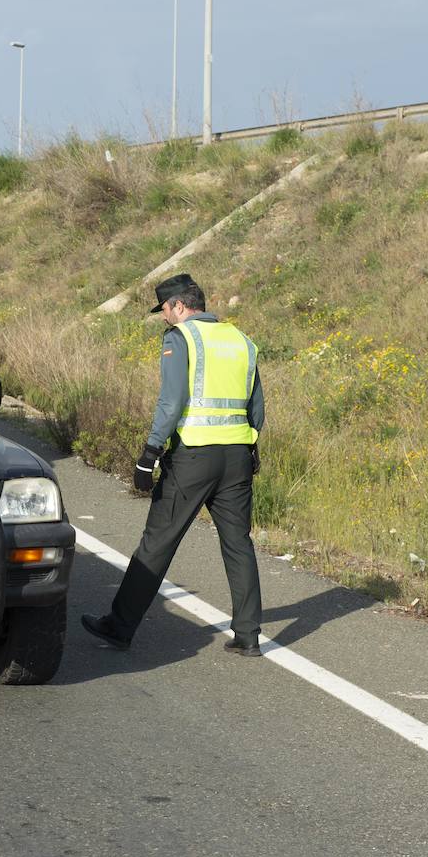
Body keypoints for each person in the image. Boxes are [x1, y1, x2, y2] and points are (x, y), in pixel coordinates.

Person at [81, 273, 266, 656]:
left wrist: (149, 454)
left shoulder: (181, 338)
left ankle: (119, 627)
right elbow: (256, 408)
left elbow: (172, 400)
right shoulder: (243, 341)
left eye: (165, 309)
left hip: (194, 456)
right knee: (237, 543)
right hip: (237, 457)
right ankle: (248, 636)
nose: (164, 317)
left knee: (157, 542)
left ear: (180, 305)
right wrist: (252, 446)